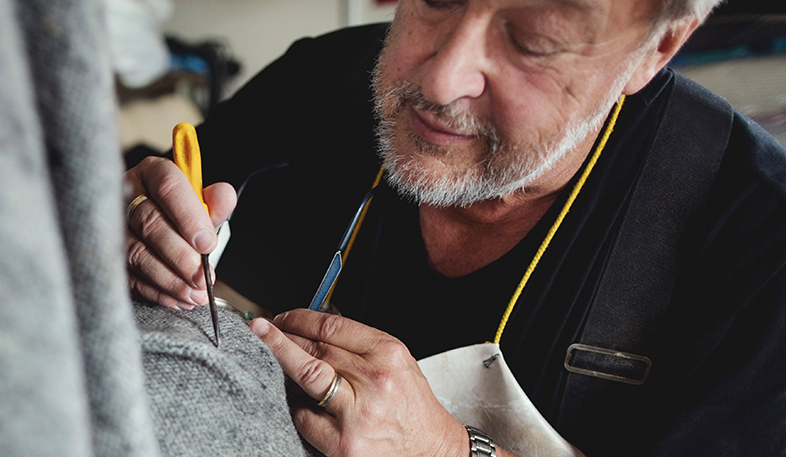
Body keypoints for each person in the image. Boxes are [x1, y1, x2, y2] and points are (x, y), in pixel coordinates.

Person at [123, 0, 786, 455]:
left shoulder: (758, 249)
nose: (440, 80)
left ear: (656, 48)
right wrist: (128, 225)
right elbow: (157, 197)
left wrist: (449, 450)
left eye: (531, 42)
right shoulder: (323, 85)